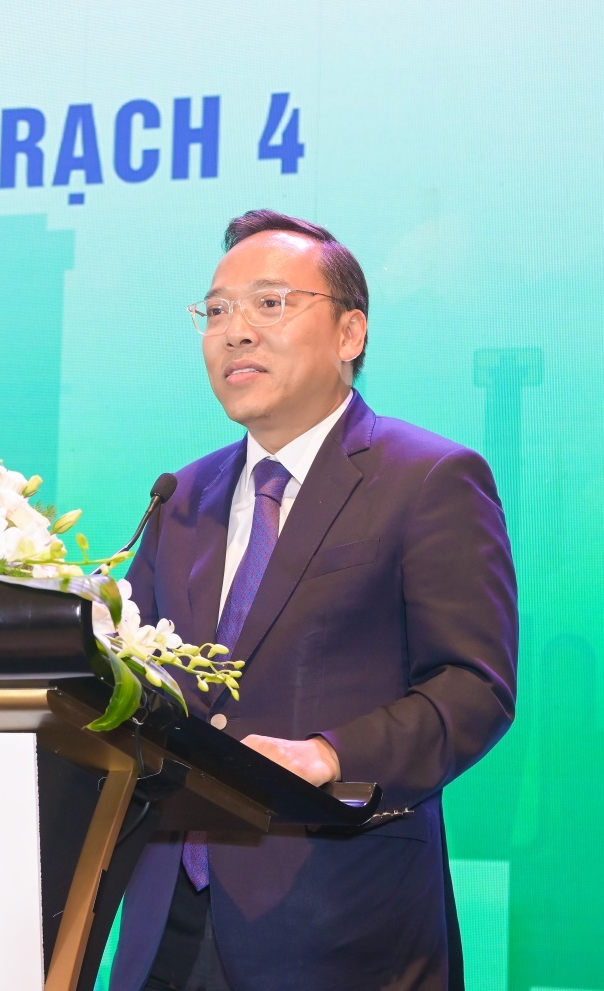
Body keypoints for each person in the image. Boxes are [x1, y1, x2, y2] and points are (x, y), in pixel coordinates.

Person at [109, 210, 518, 991]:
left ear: (349, 332)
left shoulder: (428, 479)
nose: (235, 331)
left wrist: (331, 754)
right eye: (216, 310)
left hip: (342, 923)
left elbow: (474, 687)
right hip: (168, 924)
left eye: (270, 304)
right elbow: (145, 688)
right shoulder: (180, 497)